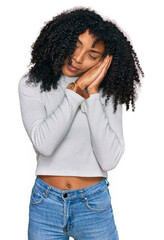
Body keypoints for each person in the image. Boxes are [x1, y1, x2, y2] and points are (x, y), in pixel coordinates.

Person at [18, 7, 144, 240]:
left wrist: (92, 93)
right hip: (46, 203)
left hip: (93, 204)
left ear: (104, 61)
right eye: (75, 45)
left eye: (92, 55)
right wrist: (75, 90)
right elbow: (44, 144)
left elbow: (109, 159)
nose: (77, 57)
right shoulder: (32, 84)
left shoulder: (109, 92)